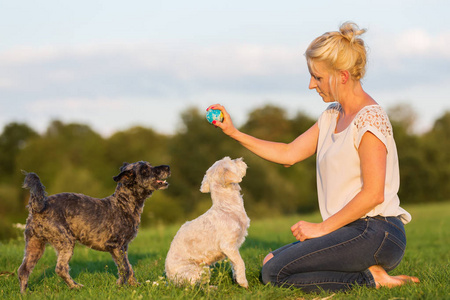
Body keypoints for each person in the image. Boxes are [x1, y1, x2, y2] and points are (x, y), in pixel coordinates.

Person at [206, 22, 419, 293]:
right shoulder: (332, 115)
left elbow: (374, 194)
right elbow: (288, 154)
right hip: (348, 230)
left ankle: (371, 280)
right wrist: (234, 132)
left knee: (275, 272)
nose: (311, 84)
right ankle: (368, 274)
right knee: (270, 261)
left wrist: (321, 228)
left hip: (377, 232)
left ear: (342, 76)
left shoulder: (370, 119)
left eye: (317, 77)